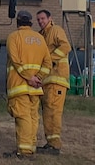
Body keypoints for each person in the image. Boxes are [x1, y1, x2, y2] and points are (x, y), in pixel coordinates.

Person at [5, 10, 52, 159]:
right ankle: (30, 147)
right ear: (31, 23)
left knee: (23, 117)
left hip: (19, 86)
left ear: (18, 22)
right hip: (35, 88)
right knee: (33, 118)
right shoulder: (40, 39)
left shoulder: (13, 37)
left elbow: (16, 61)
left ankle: (24, 151)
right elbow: (48, 63)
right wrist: (38, 77)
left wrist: (29, 77)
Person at [36, 9, 71, 155]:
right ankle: (50, 143)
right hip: (48, 81)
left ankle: (55, 145)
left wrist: (49, 59)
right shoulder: (41, 35)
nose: (40, 21)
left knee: (54, 113)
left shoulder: (56, 30)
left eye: (43, 18)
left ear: (49, 18)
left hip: (57, 79)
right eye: (38, 19)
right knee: (48, 112)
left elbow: (66, 47)